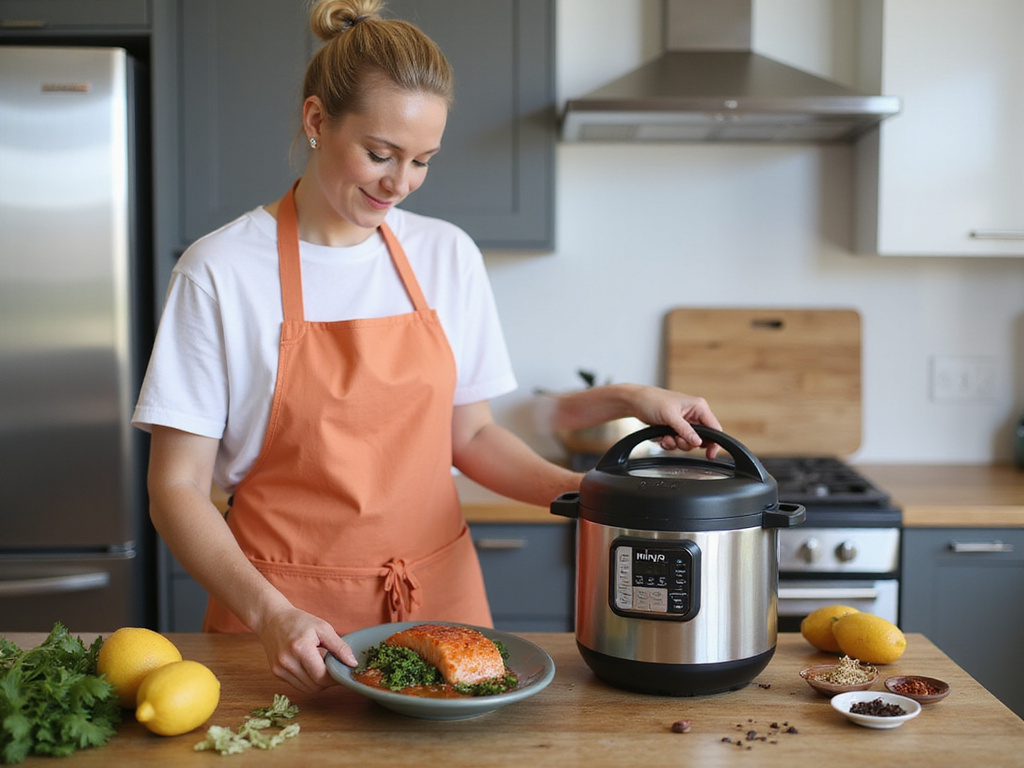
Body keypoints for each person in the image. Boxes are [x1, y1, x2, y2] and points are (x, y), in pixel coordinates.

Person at [132, 0, 721, 694]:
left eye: (422, 161)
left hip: (443, 606)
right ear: (317, 121)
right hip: (284, 620)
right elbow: (175, 489)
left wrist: (589, 492)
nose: (400, 183)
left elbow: (470, 437)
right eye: (380, 154)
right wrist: (269, 612)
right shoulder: (221, 270)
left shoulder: (446, 256)